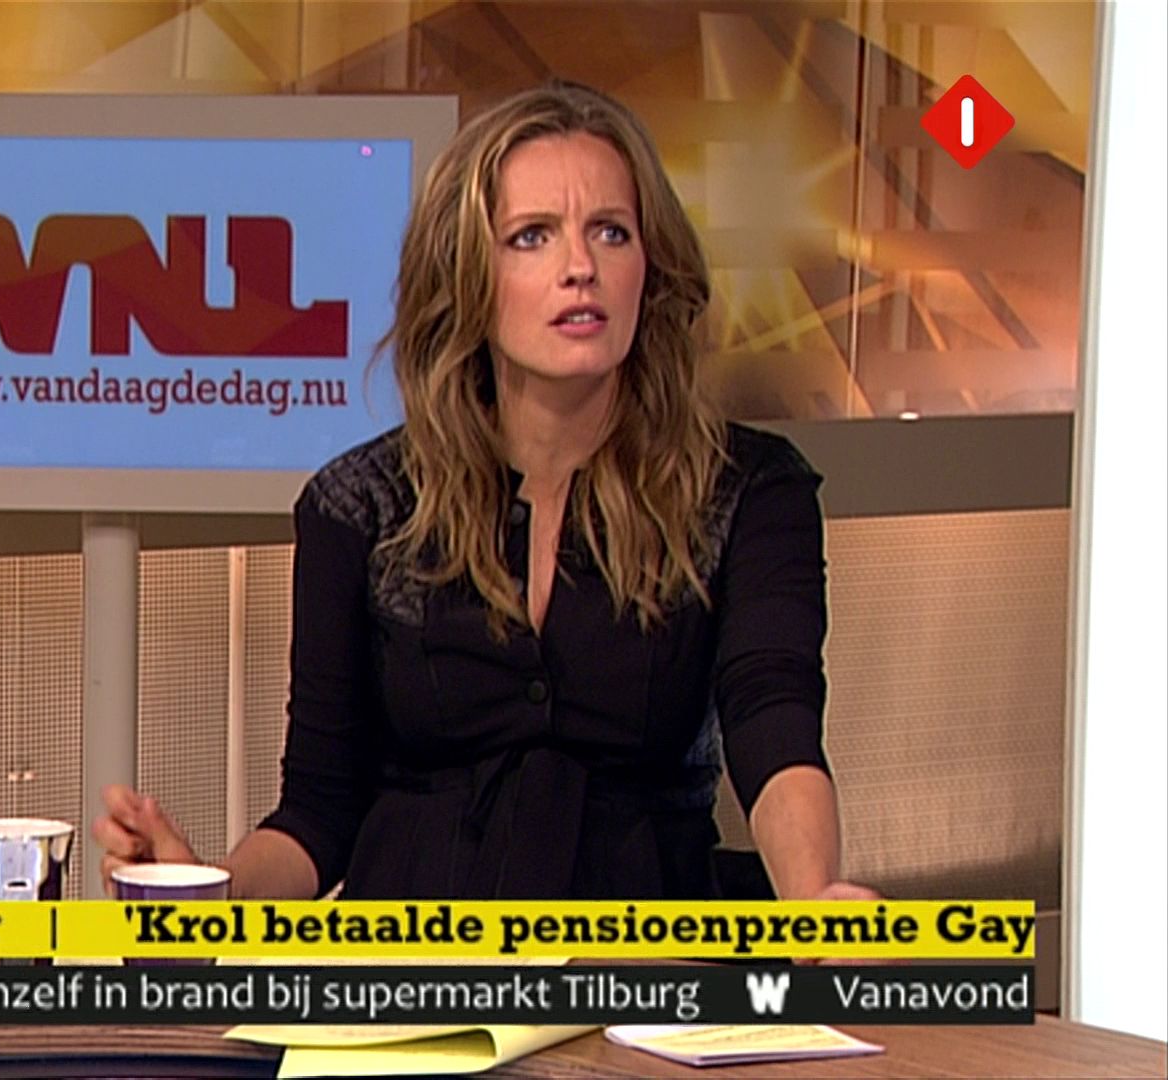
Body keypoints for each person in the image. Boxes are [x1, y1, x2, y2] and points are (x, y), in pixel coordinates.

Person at [96, 81, 877, 904]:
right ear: (466, 274)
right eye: (532, 237)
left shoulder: (746, 490)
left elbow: (773, 723)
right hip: (411, 958)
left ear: (651, 268)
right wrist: (205, 893)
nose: (581, 268)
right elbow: (319, 810)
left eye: (611, 231)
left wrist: (814, 903)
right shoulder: (362, 507)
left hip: (649, 954)